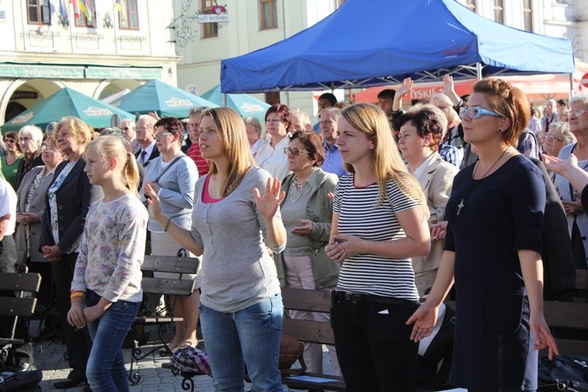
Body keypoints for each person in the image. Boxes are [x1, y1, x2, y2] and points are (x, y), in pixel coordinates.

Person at [408, 78, 559, 392]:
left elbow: (529, 248)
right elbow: (453, 247)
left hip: (507, 312)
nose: (466, 117)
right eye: (465, 109)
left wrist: (538, 313)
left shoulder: (522, 173)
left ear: (503, 122)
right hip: (470, 310)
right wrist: (433, 303)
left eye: (476, 111)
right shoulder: (464, 177)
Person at [145, 107, 286, 391]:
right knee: (224, 385)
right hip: (212, 302)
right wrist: (162, 218)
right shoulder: (201, 184)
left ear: (230, 136)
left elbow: (278, 244)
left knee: (264, 384)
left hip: (254, 300)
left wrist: (270, 218)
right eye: (200, 130)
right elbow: (198, 244)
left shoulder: (256, 179)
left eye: (210, 131)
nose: (200, 136)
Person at [325, 103, 430, 391]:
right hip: (346, 303)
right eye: (339, 133)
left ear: (373, 140)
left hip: (389, 305)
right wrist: (335, 248)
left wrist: (363, 246)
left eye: (349, 134)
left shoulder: (396, 183)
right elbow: (337, 240)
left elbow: (421, 244)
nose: (339, 141)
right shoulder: (345, 185)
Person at [67, 135, 147, 392]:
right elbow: (84, 255)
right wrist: (77, 299)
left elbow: (128, 265)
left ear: (111, 163)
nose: (86, 169)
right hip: (92, 296)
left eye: (91, 162)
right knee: (111, 367)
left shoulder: (131, 209)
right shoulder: (98, 206)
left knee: (97, 372)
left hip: (118, 301)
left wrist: (101, 307)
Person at [39, 116, 102, 390]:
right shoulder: (62, 166)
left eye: (64, 134)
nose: (59, 139)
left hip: (77, 250)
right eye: (57, 135)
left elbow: (84, 212)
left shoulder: (86, 167)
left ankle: (93, 372)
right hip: (58, 251)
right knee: (68, 309)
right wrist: (45, 242)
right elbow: (49, 206)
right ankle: (77, 368)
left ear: (80, 136)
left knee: (84, 309)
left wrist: (62, 245)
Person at [274, 130, 341, 375]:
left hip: (317, 264)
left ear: (313, 157)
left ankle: (343, 381)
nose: (290, 156)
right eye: (288, 151)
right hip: (288, 264)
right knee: (302, 327)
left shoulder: (327, 182)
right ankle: (314, 380)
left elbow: (342, 225)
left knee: (326, 325)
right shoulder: (286, 183)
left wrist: (316, 228)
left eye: (296, 151)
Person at [141, 117, 199, 352]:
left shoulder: (185, 164)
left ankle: (191, 333)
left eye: (161, 135)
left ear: (175, 136)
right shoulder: (153, 163)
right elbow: (143, 190)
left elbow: (189, 200)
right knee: (170, 286)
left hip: (180, 231)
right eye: (155, 136)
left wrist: (161, 191)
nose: (156, 140)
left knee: (188, 284)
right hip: (157, 230)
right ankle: (177, 333)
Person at [396, 106, 459, 296]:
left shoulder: (446, 173)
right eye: (399, 135)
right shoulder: (397, 174)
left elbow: (445, 221)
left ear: (428, 138)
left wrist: (403, 218)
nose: (401, 140)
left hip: (429, 269)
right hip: (398, 265)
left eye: (407, 135)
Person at [15, 136, 65, 307]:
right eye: (45, 146)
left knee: (45, 290)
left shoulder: (62, 174)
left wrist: (38, 217)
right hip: (24, 239)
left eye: (52, 148)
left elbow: (61, 203)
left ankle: (44, 328)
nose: (46, 150)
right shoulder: (34, 171)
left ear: (63, 155)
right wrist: (16, 213)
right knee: (25, 287)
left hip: (44, 240)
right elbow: (19, 194)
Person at [554, 91, 588, 270]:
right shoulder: (565, 152)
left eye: (579, 112)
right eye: (570, 112)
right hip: (568, 235)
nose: (572, 116)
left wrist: (586, 203)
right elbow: (557, 189)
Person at [256, 103, 293, 181]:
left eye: (275, 120)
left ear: (286, 124)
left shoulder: (292, 147)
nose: (270, 123)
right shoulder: (262, 149)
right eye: (268, 120)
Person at [319, 107, 346, 177]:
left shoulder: (347, 150)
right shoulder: (319, 152)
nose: (323, 126)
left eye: (328, 121)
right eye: (321, 122)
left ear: (339, 124)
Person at [16, 125, 44, 190]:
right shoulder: (22, 161)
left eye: (26, 139)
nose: (22, 142)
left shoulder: (44, 159)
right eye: (20, 139)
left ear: (38, 141)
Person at [186, 106, 211, 176]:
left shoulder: (215, 149)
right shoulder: (191, 149)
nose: (194, 129)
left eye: (197, 125)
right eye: (192, 125)